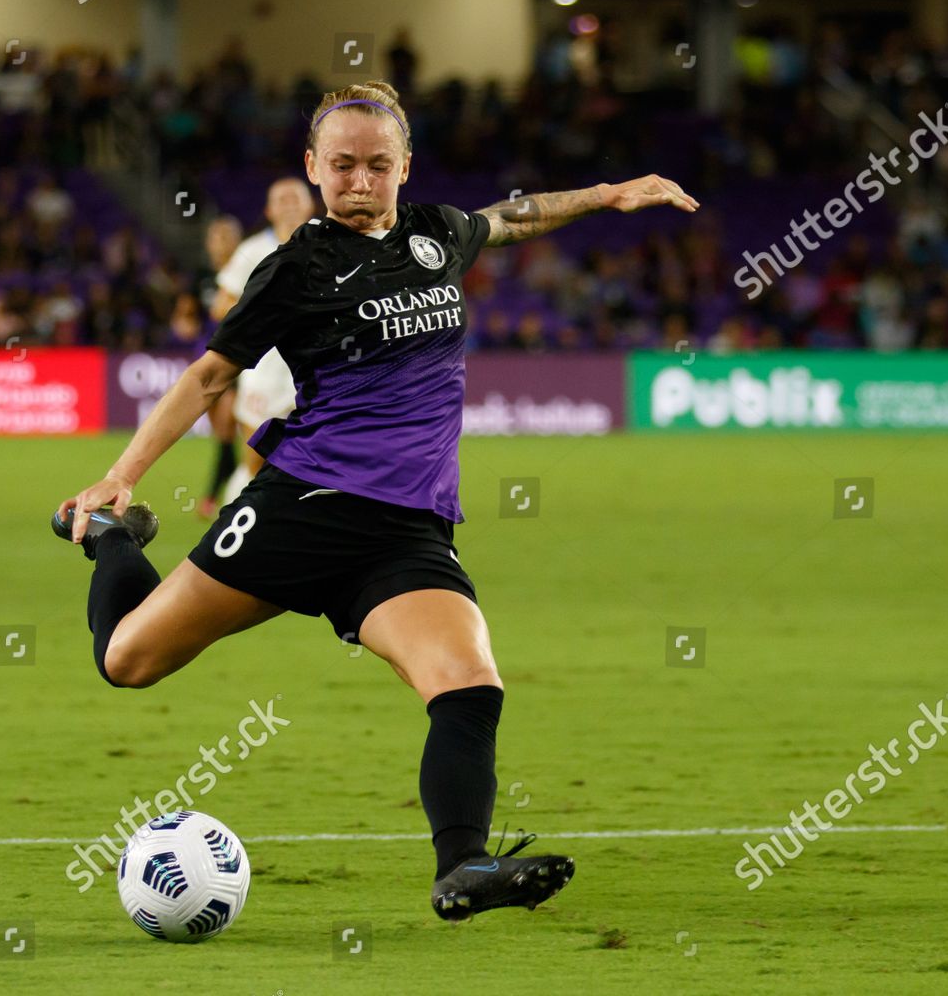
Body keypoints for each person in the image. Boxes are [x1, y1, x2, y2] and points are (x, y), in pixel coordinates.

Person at [53, 80, 697, 919]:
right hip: (304, 510)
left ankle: (462, 868)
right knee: (128, 661)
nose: (361, 181)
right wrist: (123, 476)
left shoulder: (437, 236)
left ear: (405, 168)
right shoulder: (295, 268)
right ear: (315, 168)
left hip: (408, 534)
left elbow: (518, 214)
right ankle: (108, 537)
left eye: (379, 165)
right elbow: (211, 374)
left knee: (468, 684)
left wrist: (609, 194)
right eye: (345, 165)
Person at [210, 178, 318, 508]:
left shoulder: (334, 241)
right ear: (268, 210)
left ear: (310, 204)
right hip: (264, 372)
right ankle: (236, 519)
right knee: (256, 459)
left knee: (319, 461)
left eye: (294, 197)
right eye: (280, 199)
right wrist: (267, 307)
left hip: (319, 370)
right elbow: (220, 307)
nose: (288, 203)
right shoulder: (251, 251)